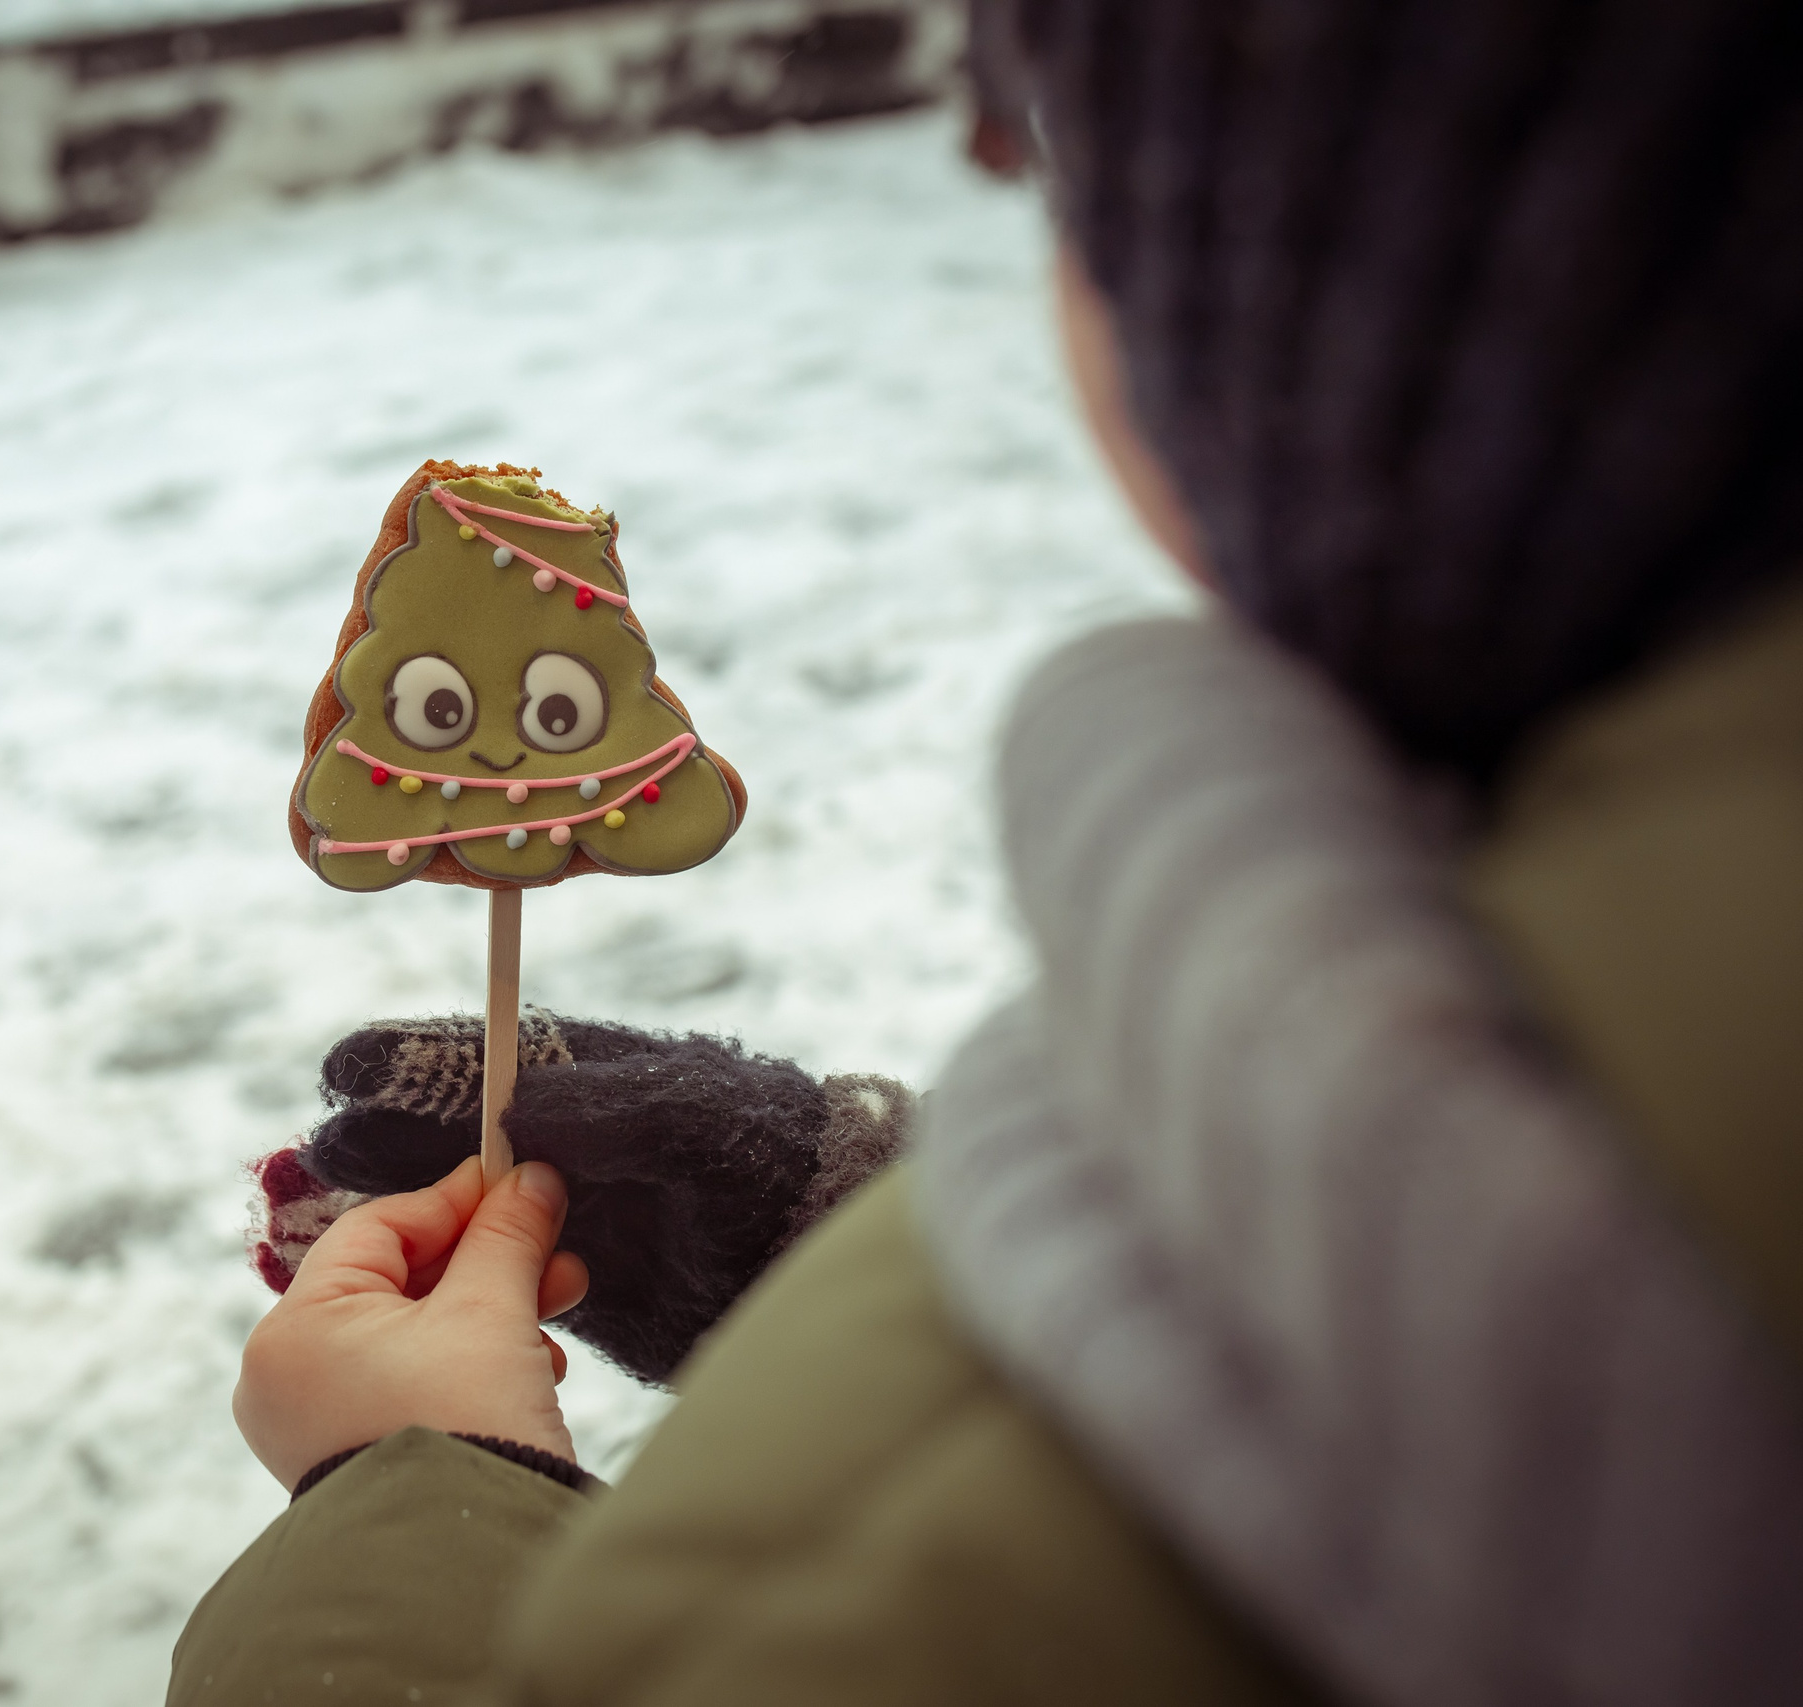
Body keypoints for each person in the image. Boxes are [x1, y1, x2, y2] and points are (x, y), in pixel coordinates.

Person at [171, 1, 1803, 1700]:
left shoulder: (928, 1589)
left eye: (1038, 156)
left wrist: (407, 1497)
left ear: (1261, 318)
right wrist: (824, 1216)